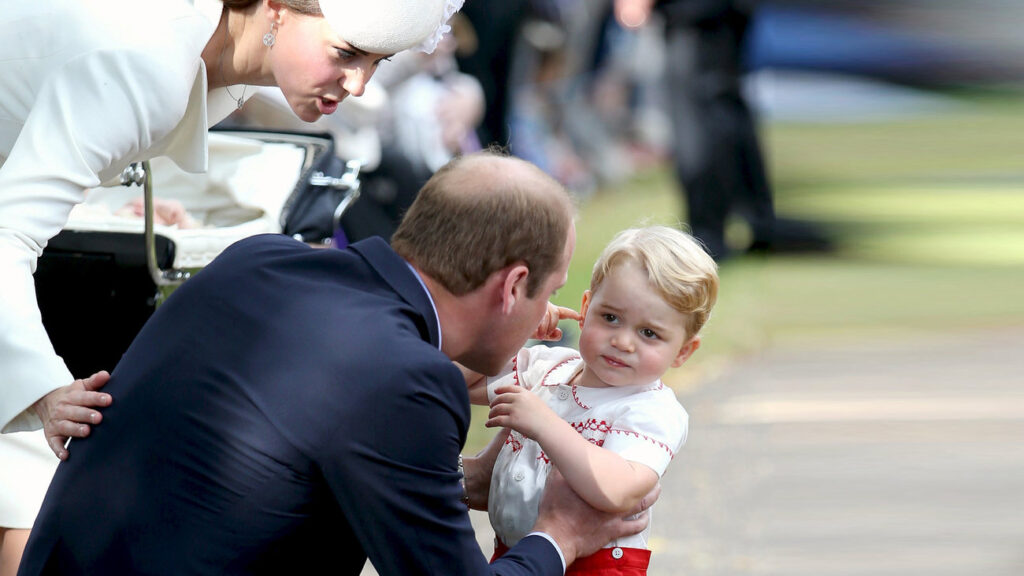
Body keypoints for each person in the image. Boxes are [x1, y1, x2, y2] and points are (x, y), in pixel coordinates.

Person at [18, 151, 655, 575]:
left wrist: (453, 482)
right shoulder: (409, 377)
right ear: (513, 287)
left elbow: (288, 456)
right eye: (550, 289)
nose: (553, 311)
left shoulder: (257, 260)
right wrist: (561, 536)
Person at [0, 0, 464, 573]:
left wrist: (109, 197)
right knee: (30, 486)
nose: (360, 84)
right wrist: (43, 392)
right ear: (274, 11)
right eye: (346, 54)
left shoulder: (216, 58)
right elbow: (7, 234)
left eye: (377, 62)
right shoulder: (153, 66)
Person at [464, 225, 719, 574]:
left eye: (649, 333)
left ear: (683, 351)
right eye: (610, 317)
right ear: (585, 308)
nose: (623, 342)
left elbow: (617, 490)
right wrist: (516, 329)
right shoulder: (549, 368)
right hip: (517, 558)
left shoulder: (652, 410)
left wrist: (544, 424)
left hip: (594, 566)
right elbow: (455, 379)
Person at [614, 0, 831, 260]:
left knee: (697, 111)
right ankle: (758, 221)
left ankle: (708, 235)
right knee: (723, 101)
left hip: (695, 13)